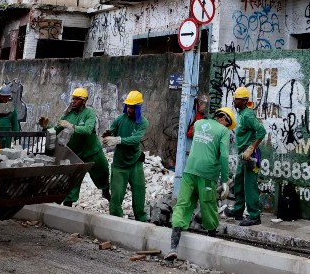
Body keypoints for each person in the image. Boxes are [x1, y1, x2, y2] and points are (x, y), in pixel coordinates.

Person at [166, 106, 235, 260]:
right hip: (207, 173)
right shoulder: (223, 131)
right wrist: (224, 180)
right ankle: (211, 245)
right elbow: (223, 156)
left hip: (190, 170)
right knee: (208, 205)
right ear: (224, 119)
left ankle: (173, 248)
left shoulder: (199, 124)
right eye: (228, 125)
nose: (228, 129)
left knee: (183, 204)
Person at [48, 87, 110, 205]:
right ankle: (68, 203)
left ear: (84, 101)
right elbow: (55, 129)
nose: (73, 101)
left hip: (93, 152)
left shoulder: (89, 113)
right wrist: (46, 127)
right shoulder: (68, 115)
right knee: (73, 180)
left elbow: (87, 129)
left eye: (77, 99)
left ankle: (106, 191)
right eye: (73, 99)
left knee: (103, 172)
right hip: (76, 154)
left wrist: (71, 126)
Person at [104, 90, 150, 221]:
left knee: (139, 195)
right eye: (128, 106)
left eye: (132, 107)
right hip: (119, 165)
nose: (129, 110)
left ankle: (141, 221)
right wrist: (108, 135)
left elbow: (136, 139)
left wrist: (118, 140)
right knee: (116, 196)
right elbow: (111, 130)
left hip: (135, 163)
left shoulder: (143, 122)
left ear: (138, 108)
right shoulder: (120, 119)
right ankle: (116, 221)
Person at [224, 86, 266, 226]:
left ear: (243, 101)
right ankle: (238, 211)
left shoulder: (248, 115)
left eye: (236, 99)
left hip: (250, 156)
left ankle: (254, 216)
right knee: (239, 183)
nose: (234, 101)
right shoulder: (241, 113)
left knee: (250, 186)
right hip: (242, 156)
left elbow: (261, 131)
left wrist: (251, 148)